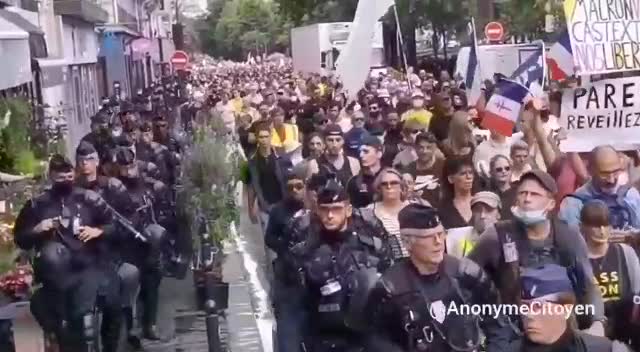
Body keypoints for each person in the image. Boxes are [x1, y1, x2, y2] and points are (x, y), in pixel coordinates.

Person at [468, 170, 606, 337]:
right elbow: (464, 280)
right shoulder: (497, 236)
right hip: (514, 334)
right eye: (522, 193)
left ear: (550, 204)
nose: (527, 199)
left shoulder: (568, 236)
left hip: (562, 332)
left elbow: (589, 284)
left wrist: (598, 322)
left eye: (535, 194)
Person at [14, 154, 122, 352]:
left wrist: (98, 231)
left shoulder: (89, 199)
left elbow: (116, 226)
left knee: (110, 302)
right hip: (54, 279)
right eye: (60, 176)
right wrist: (37, 229)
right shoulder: (37, 205)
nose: (65, 179)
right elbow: (20, 238)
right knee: (49, 313)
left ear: (74, 173)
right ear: (51, 176)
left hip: (89, 267)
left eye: (68, 175)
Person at [365, 203, 509, 352]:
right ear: (407, 242)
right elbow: (376, 340)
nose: (438, 242)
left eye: (440, 234)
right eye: (428, 237)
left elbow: (500, 326)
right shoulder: (390, 287)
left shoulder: (467, 273)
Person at [293, 179, 392, 352]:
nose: (330, 215)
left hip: (365, 332)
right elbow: (298, 296)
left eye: (336, 209)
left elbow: (389, 276)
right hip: (323, 331)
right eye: (325, 210)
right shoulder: (307, 245)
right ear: (317, 210)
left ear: (348, 210)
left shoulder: (369, 242)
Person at [74, 142, 143, 348]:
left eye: (89, 159)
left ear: (97, 162)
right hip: (80, 255)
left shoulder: (112, 187)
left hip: (111, 251)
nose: (85, 164)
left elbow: (130, 222)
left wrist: (102, 231)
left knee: (128, 276)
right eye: (81, 160)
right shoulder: (72, 188)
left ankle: (131, 324)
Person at [508, 264, 631, 352]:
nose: (529, 315)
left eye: (538, 306)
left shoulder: (603, 349)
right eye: (525, 306)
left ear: (566, 310)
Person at [580, 201, 640, 349]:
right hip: (591, 334)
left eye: (606, 225)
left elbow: (637, 293)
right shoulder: (578, 259)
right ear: (583, 227)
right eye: (595, 225)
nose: (602, 230)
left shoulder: (625, 252)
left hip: (625, 332)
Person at [265, 169, 308, 352]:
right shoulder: (278, 210)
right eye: (291, 187)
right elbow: (269, 238)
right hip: (286, 276)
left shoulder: (312, 210)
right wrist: (285, 247)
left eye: (299, 186)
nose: (295, 191)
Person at [559, 145, 640, 231]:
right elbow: (569, 239)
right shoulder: (574, 203)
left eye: (615, 172)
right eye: (604, 174)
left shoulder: (630, 195)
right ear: (590, 170)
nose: (611, 180)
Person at [244, 122, 293, 229]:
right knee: (268, 239)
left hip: (283, 204)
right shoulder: (251, 161)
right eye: (261, 137)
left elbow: (291, 179)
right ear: (257, 138)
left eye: (266, 136)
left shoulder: (281, 156)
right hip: (265, 206)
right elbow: (251, 186)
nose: (264, 140)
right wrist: (251, 209)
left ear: (271, 136)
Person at [368, 168, 411, 260]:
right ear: (379, 188)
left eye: (394, 183)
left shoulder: (415, 208)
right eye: (384, 184)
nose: (389, 186)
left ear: (401, 186)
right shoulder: (369, 211)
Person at [446, 191, 501, 258]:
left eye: (488, 210)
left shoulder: (507, 238)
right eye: (478, 210)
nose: (482, 215)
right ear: (472, 213)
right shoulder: (457, 236)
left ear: (498, 214)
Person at [403, 132, 444, 207]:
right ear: (415, 148)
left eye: (429, 147)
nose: (424, 151)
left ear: (435, 148)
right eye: (421, 147)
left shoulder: (444, 166)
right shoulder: (408, 169)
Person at [347, 135, 384, 208]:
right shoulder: (354, 182)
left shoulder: (389, 178)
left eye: (366, 151)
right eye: (360, 151)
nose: (361, 155)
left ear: (379, 154)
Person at [438, 158, 475, 229]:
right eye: (463, 173)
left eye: (470, 172)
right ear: (451, 179)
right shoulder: (443, 209)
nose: (468, 177)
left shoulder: (481, 203)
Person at [488, 154, 516, 219]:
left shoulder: (519, 192)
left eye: (507, 168)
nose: (504, 171)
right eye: (499, 169)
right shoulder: (488, 195)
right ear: (491, 172)